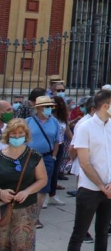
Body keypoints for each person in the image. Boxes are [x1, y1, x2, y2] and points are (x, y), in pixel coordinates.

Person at [67, 90, 111, 251]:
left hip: (110, 188)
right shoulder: (85, 127)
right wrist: (100, 185)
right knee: (79, 233)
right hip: (90, 189)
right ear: (105, 106)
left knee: (103, 232)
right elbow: (84, 162)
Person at [0, 119, 48, 250]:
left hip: (26, 211)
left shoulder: (34, 156)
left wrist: (27, 191)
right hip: (2, 209)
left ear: (25, 135)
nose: (17, 136)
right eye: (13, 133)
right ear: (7, 135)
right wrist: (1, 193)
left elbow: (42, 179)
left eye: (20, 133)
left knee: (23, 245)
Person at [26, 95, 59, 229]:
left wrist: (54, 156)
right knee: (27, 185)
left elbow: (57, 141)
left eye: (50, 107)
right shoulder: (28, 121)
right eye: (46, 107)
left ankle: (36, 218)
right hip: (29, 157)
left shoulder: (54, 122)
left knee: (42, 188)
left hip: (46, 158)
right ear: (38, 108)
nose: (49, 109)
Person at [45, 95, 70, 207]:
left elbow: (67, 130)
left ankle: (52, 195)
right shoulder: (48, 116)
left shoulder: (62, 117)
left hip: (59, 146)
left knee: (55, 172)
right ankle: (43, 195)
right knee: (46, 172)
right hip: (49, 146)